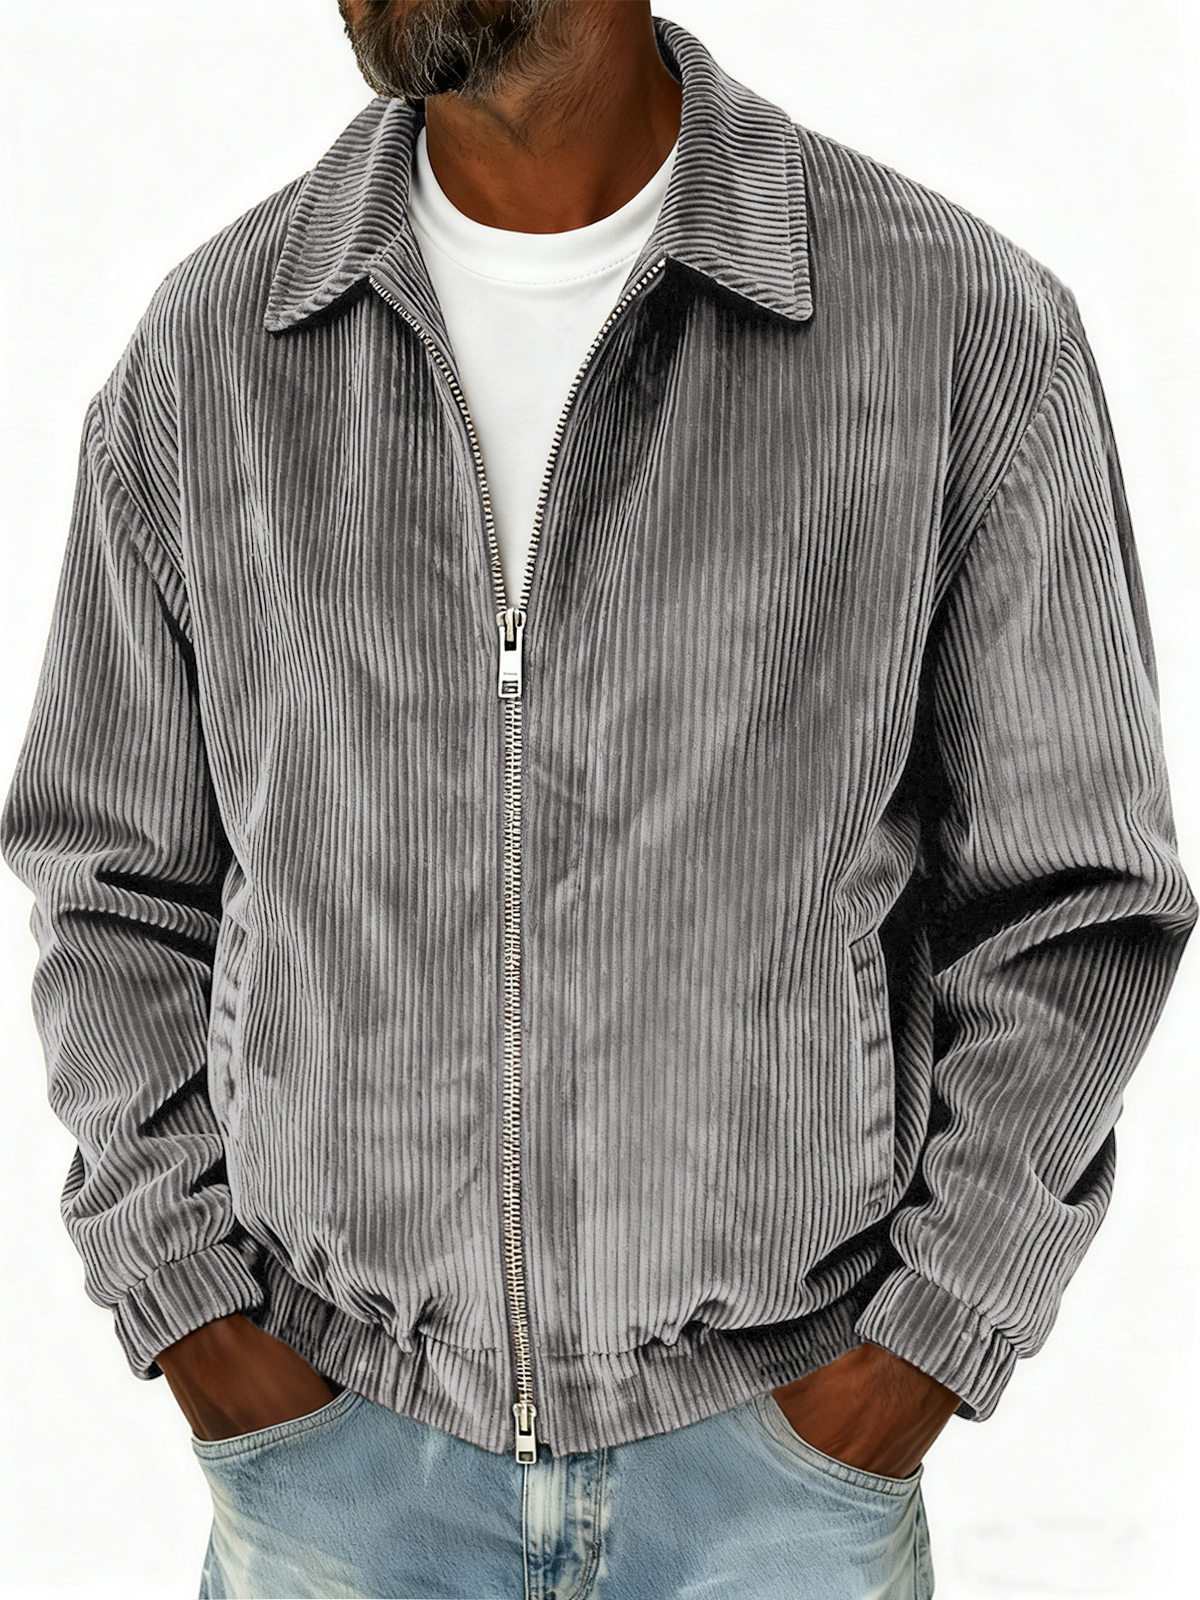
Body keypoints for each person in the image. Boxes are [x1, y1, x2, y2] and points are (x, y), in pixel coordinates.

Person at [1, 2, 1194, 1596]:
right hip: (336, 1467)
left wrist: (919, 1351)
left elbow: (1075, 902)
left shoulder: (955, 330)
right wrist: (200, 1322)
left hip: (774, 1481)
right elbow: (112, 880)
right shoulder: (214, 354)